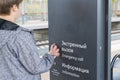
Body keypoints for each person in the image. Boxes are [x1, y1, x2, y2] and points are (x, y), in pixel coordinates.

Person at [0, 0, 60, 80]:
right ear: (14, 7)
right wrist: (51, 55)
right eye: (20, 5)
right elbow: (36, 67)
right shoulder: (19, 36)